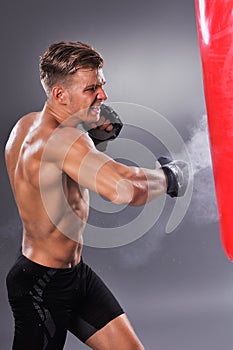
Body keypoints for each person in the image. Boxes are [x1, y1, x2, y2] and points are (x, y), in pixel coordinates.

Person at [5, 41, 188, 350]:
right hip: (41, 289)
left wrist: (91, 134)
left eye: (102, 85)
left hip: (73, 276)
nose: (103, 95)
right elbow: (124, 189)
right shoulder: (64, 141)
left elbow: (60, 177)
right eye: (91, 89)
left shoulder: (25, 125)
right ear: (60, 94)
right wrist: (170, 176)